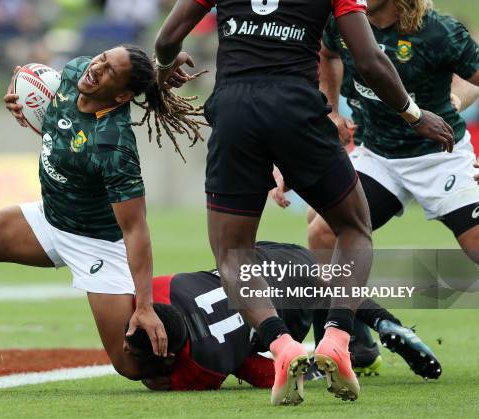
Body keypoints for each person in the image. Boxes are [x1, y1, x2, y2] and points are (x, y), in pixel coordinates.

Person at [154, 0, 454, 404]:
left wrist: (163, 67)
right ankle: (337, 338)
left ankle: (281, 345)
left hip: (234, 110)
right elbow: (368, 59)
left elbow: (168, 38)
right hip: (296, 107)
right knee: (353, 228)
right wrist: (414, 114)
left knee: (231, 251)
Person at [0, 45, 205, 394]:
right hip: (50, 217)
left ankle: (202, 332)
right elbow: (58, 118)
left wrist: (146, 305)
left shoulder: (114, 145)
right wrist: (24, 102)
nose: (97, 68)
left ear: (121, 95)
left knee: (134, 368)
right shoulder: (76, 71)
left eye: (109, 71)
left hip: (96, 244)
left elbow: (135, 229)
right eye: (102, 58)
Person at [303, 0, 479, 275]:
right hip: (378, 156)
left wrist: (456, 98)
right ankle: (345, 317)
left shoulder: (439, 31)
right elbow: (327, 53)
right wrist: (332, 111)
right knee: (322, 231)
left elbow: (472, 76)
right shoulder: (342, 21)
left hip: (441, 157)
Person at [122, 241, 440, 391]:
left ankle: (332, 360)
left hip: (280, 314)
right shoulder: (163, 288)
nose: (124, 350)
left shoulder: (206, 364)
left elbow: (256, 370)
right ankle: (382, 327)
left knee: (284, 358)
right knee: (330, 286)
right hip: (269, 259)